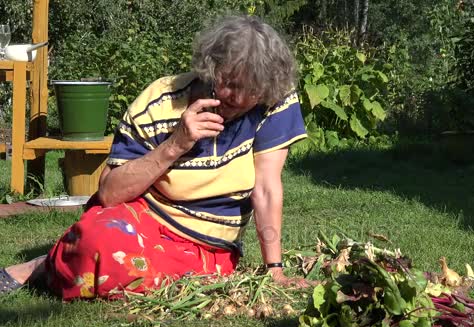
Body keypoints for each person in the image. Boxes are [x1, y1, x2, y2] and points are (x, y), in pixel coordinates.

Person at [0, 15, 313, 299]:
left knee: (183, 281)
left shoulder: (275, 100)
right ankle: (47, 263)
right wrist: (176, 144)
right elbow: (108, 193)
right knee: (102, 248)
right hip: (142, 220)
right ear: (210, 69)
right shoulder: (160, 101)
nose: (240, 98)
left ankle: (64, 260)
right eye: (229, 84)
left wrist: (274, 268)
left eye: (252, 89)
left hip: (211, 245)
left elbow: (267, 187)